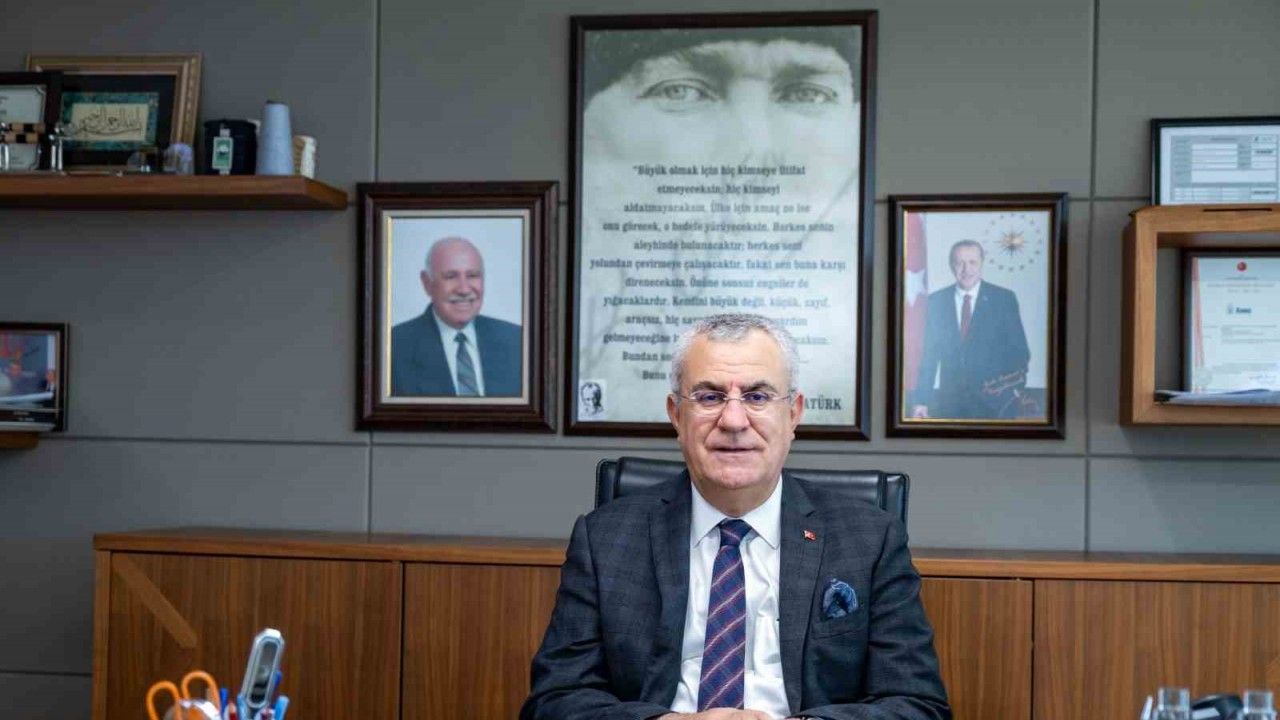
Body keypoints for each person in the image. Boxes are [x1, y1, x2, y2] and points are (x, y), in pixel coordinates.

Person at [523, 313, 949, 720]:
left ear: (794, 414)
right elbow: (555, 700)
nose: (732, 420)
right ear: (676, 414)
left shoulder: (870, 539)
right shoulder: (605, 539)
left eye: (757, 397)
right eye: (709, 397)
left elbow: (916, 704)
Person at [911, 240, 1031, 420]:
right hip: (950, 405)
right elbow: (929, 356)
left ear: (982, 263)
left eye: (972, 262)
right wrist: (922, 400)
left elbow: (1019, 353)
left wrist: (1009, 392)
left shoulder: (1003, 299)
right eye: (960, 263)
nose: (966, 269)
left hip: (996, 406)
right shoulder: (936, 302)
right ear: (951, 265)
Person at [390, 236, 521, 397]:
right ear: (427, 283)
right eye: (450, 277)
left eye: (472, 275)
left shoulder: (517, 341)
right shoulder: (392, 349)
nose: (464, 289)